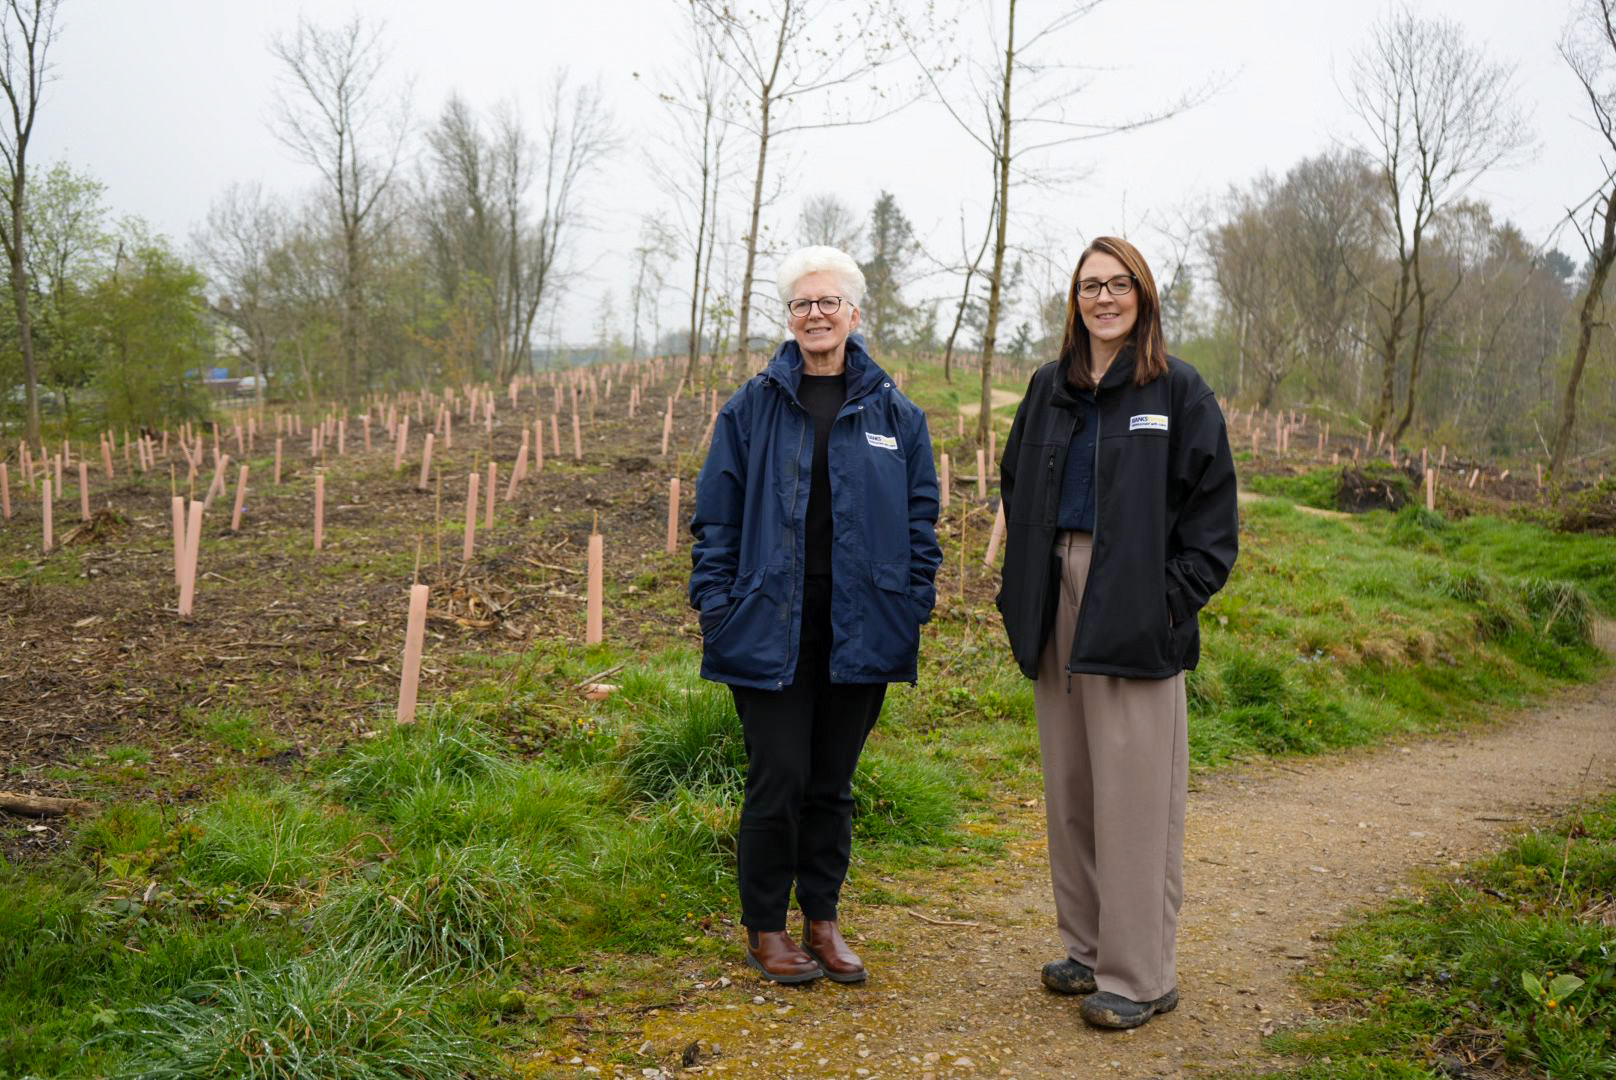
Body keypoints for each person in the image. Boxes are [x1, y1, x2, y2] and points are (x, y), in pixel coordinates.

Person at [996, 235, 1238, 1029]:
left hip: (1133, 605)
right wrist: (1020, 587)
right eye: (1089, 285)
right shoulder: (1047, 389)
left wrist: (1169, 601)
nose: (1103, 298)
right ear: (1074, 300)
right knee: (1071, 788)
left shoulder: (1177, 392)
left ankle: (1139, 975)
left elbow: (1212, 521)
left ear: (1143, 295)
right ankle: (1089, 948)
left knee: (1135, 796)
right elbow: (1015, 482)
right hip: (1054, 602)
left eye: (1118, 284)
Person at [689, 245, 942, 984]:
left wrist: (913, 600)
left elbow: (921, 518)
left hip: (862, 628)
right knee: (779, 777)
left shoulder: (897, 415)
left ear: (855, 315)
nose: (817, 315)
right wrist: (718, 607)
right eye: (803, 304)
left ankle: (822, 924)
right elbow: (717, 519)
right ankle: (766, 930)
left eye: (829, 302)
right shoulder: (751, 409)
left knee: (832, 782)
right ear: (789, 319)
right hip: (769, 625)